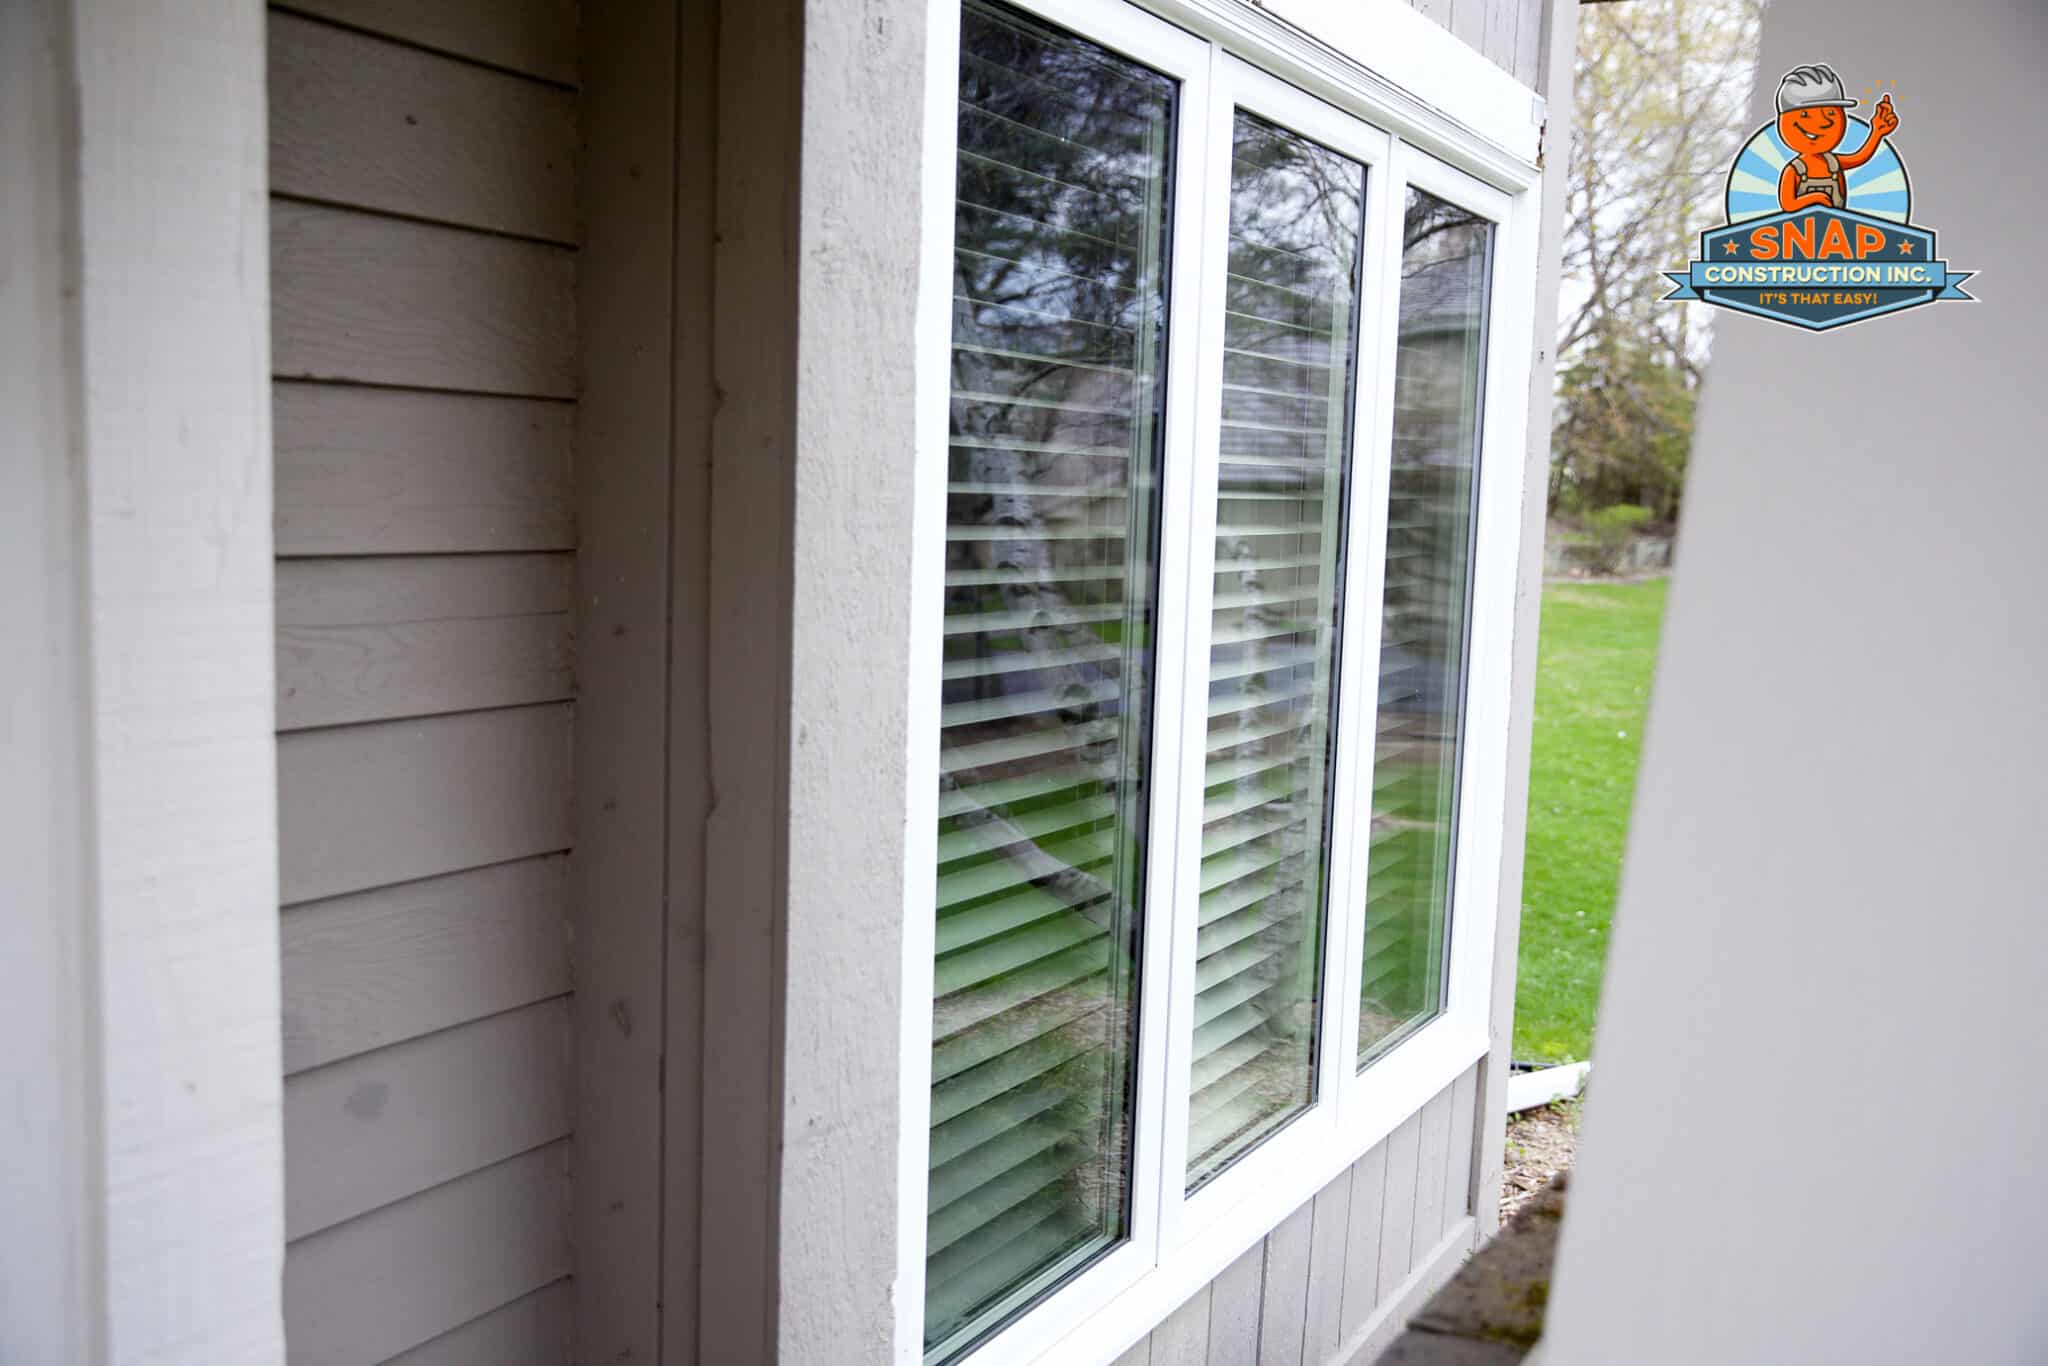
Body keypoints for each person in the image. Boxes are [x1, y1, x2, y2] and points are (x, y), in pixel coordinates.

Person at [1774, 63, 1899, 212]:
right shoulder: (1794, 170)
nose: (1824, 122)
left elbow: (1860, 157)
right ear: (1783, 122)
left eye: (1831, 113)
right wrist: (1815, 198)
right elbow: (1788, 204)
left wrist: (1877, 132)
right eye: (1805, 115)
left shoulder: (1833, 163)